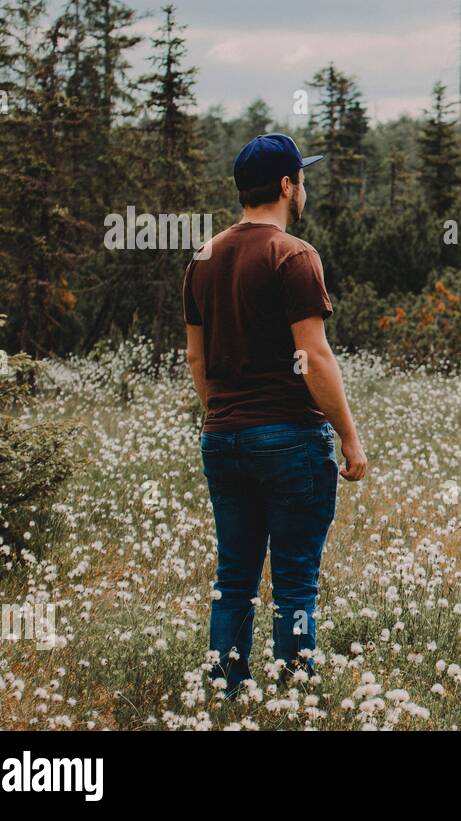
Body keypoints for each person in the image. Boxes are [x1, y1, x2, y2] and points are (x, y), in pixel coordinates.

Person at [182, 133, 367, 696]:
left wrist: (223, 416)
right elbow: (313, 356)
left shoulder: (203, 257)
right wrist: (351, 440)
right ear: (288, 186)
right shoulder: (294, 255)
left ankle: (226, 688)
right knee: (294, 582)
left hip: (224, 439)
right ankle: (295, 695)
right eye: (301, 179)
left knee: (233, 578)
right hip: (291, 439)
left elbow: (195, 356)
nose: (303, 188)